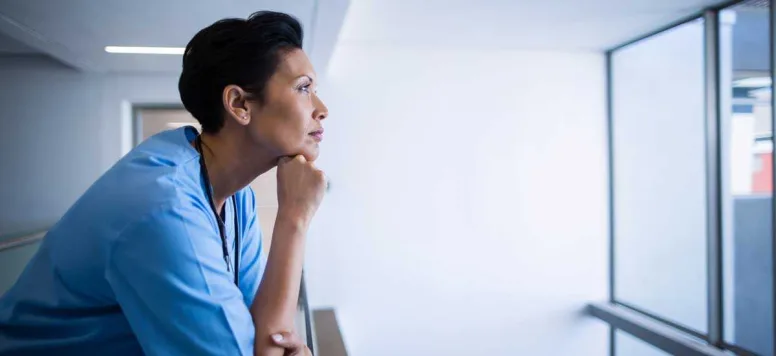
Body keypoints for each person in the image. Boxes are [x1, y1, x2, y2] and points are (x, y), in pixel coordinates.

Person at [0, 10, 327, 356]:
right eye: (304, 88)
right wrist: (295, 217)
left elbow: (262, 332)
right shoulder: (165, 208)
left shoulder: (235, 196)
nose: (321, 109)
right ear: (239, 104)